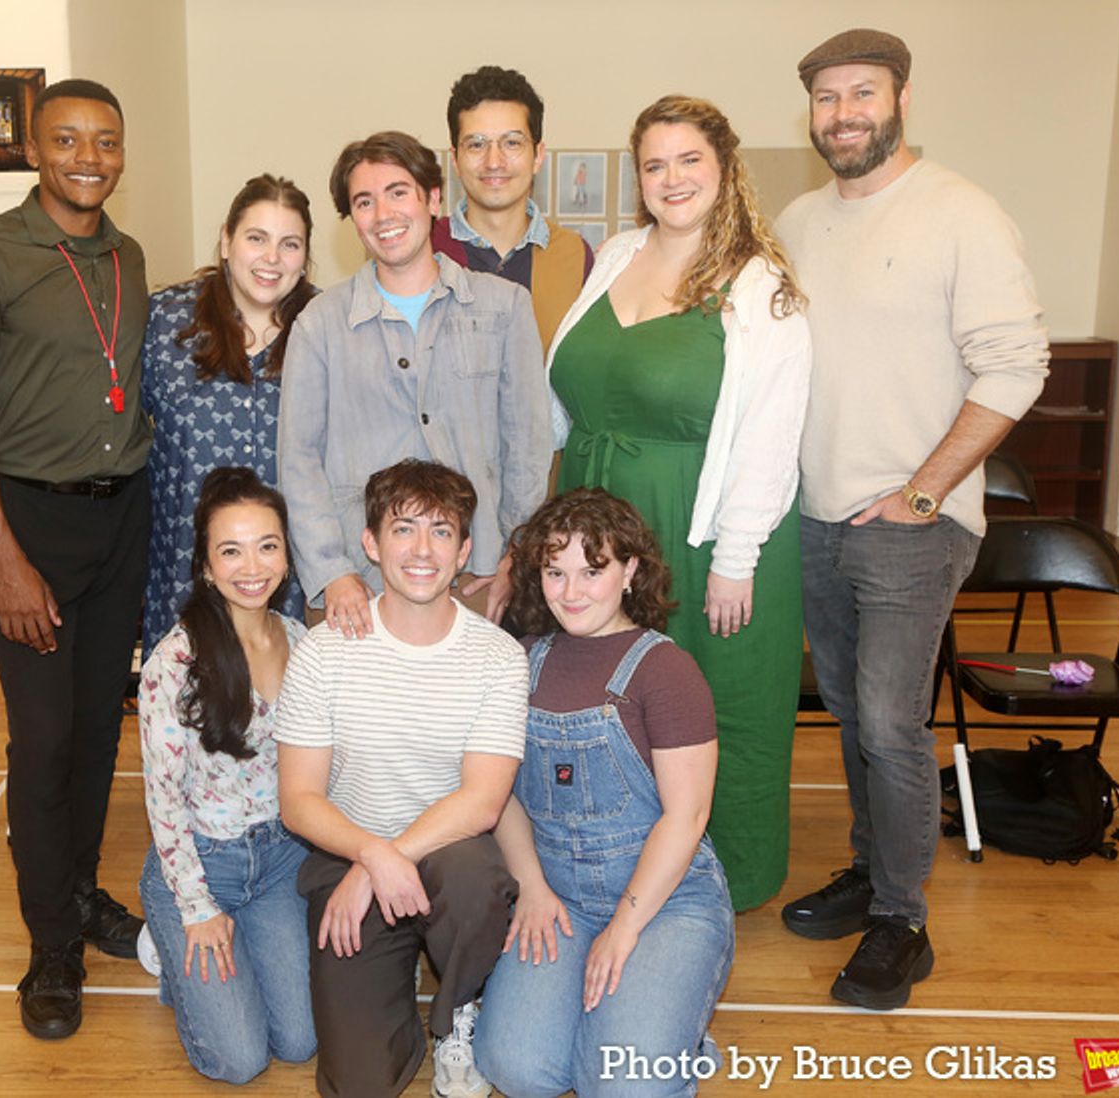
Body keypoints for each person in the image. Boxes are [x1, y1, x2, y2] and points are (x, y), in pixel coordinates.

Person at [775, 28, 1049, 1010]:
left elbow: (1015, 365)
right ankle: (868, 867)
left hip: (909, 520)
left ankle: (901, 918)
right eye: (825, 98)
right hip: (814, 519)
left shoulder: (959, 213)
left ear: (898, 100)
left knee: (889, 723)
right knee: (850, 713)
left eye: (862, 93)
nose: (843, 113)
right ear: (809, 112)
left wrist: (923, 491)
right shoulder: (799, 221)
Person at [0, 78, 151, 1040]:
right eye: (66, 139)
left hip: (123, 517)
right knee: (45, 739)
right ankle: (49, 943)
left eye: (104, 139)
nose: (87, 156)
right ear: (32, 148)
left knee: (100, 731)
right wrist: (7, 563)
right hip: (32, 529)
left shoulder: (129, 256)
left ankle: (80, 892)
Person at [544, 95, 811, 911]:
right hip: (600, 519)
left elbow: (771, 435)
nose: (672, 178)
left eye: (689, 160)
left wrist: (736, 560)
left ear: (725, 170)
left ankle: (722, 875)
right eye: (654, 164)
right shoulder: (618, 254)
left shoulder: (763, 287)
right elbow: (570, 391)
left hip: (704, 528)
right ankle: (618, 853)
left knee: (712, 694)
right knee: (607, 694)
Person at [276, 459, 527, 1098]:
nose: (422, 550)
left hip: (449, 855)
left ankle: (456, 1012)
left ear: (465, 549)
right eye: (404, 529)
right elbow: (299, 801)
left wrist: (382, 861)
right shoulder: (323, 651)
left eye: (441, 533)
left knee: (477, 884)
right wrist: (365, 855)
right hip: (349, 856)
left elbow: (483, 802)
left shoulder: (497, 656)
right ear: (370, 543)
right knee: (357, 1084)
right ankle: (398, 1005)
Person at [474, 488, 734, 1098]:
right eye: (555, 572)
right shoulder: (522, 661)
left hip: (666, 900)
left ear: (630, 571)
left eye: (592, 571)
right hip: (560, 897)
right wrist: (533, 888)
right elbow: (503, 797)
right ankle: (636, 1020)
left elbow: (687, 814)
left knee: (623, 1084)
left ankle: (677, 1036)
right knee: (517, 1069)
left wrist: (623, 928)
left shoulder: (667, 670)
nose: (571, 592)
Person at [278, 131, 551, 636]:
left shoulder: (504, 307)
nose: (383, 214)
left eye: (398, 192)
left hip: (479, 575)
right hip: (356, 584)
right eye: (365, 201)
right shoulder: (320, 323)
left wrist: (517, 551)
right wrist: (331, 571)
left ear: (433, 198)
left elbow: (528, 444)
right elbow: (297, 461)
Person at [137, 466, 317, 1083]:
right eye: (231, 550)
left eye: (267, 546)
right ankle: (172, 946)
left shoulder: (300, 640)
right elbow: (162, 800)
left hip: (278, 860)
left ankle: (214, 965)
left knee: (298, 1041)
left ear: (287, 558)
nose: (252, 566)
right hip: (200, 862)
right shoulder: (175, 660)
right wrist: (196, 907)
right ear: (207, 567)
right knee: (239, 1062)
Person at [142, 174, 317, 657]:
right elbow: (111, 423)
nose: (271, 258)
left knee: (287, 718)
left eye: (290, 244)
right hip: (184, 568)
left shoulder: (326, 328)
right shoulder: (166, 322)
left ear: (304, 257)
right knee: (188, 717)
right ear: (226, 239)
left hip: (292, 581)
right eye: (256, 238)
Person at [432, 65, 593, 353]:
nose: (494, 161)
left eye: (512, 143)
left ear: (538, 155)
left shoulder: (575, 256)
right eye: (476, 144)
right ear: (455, 159)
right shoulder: (425, 249)